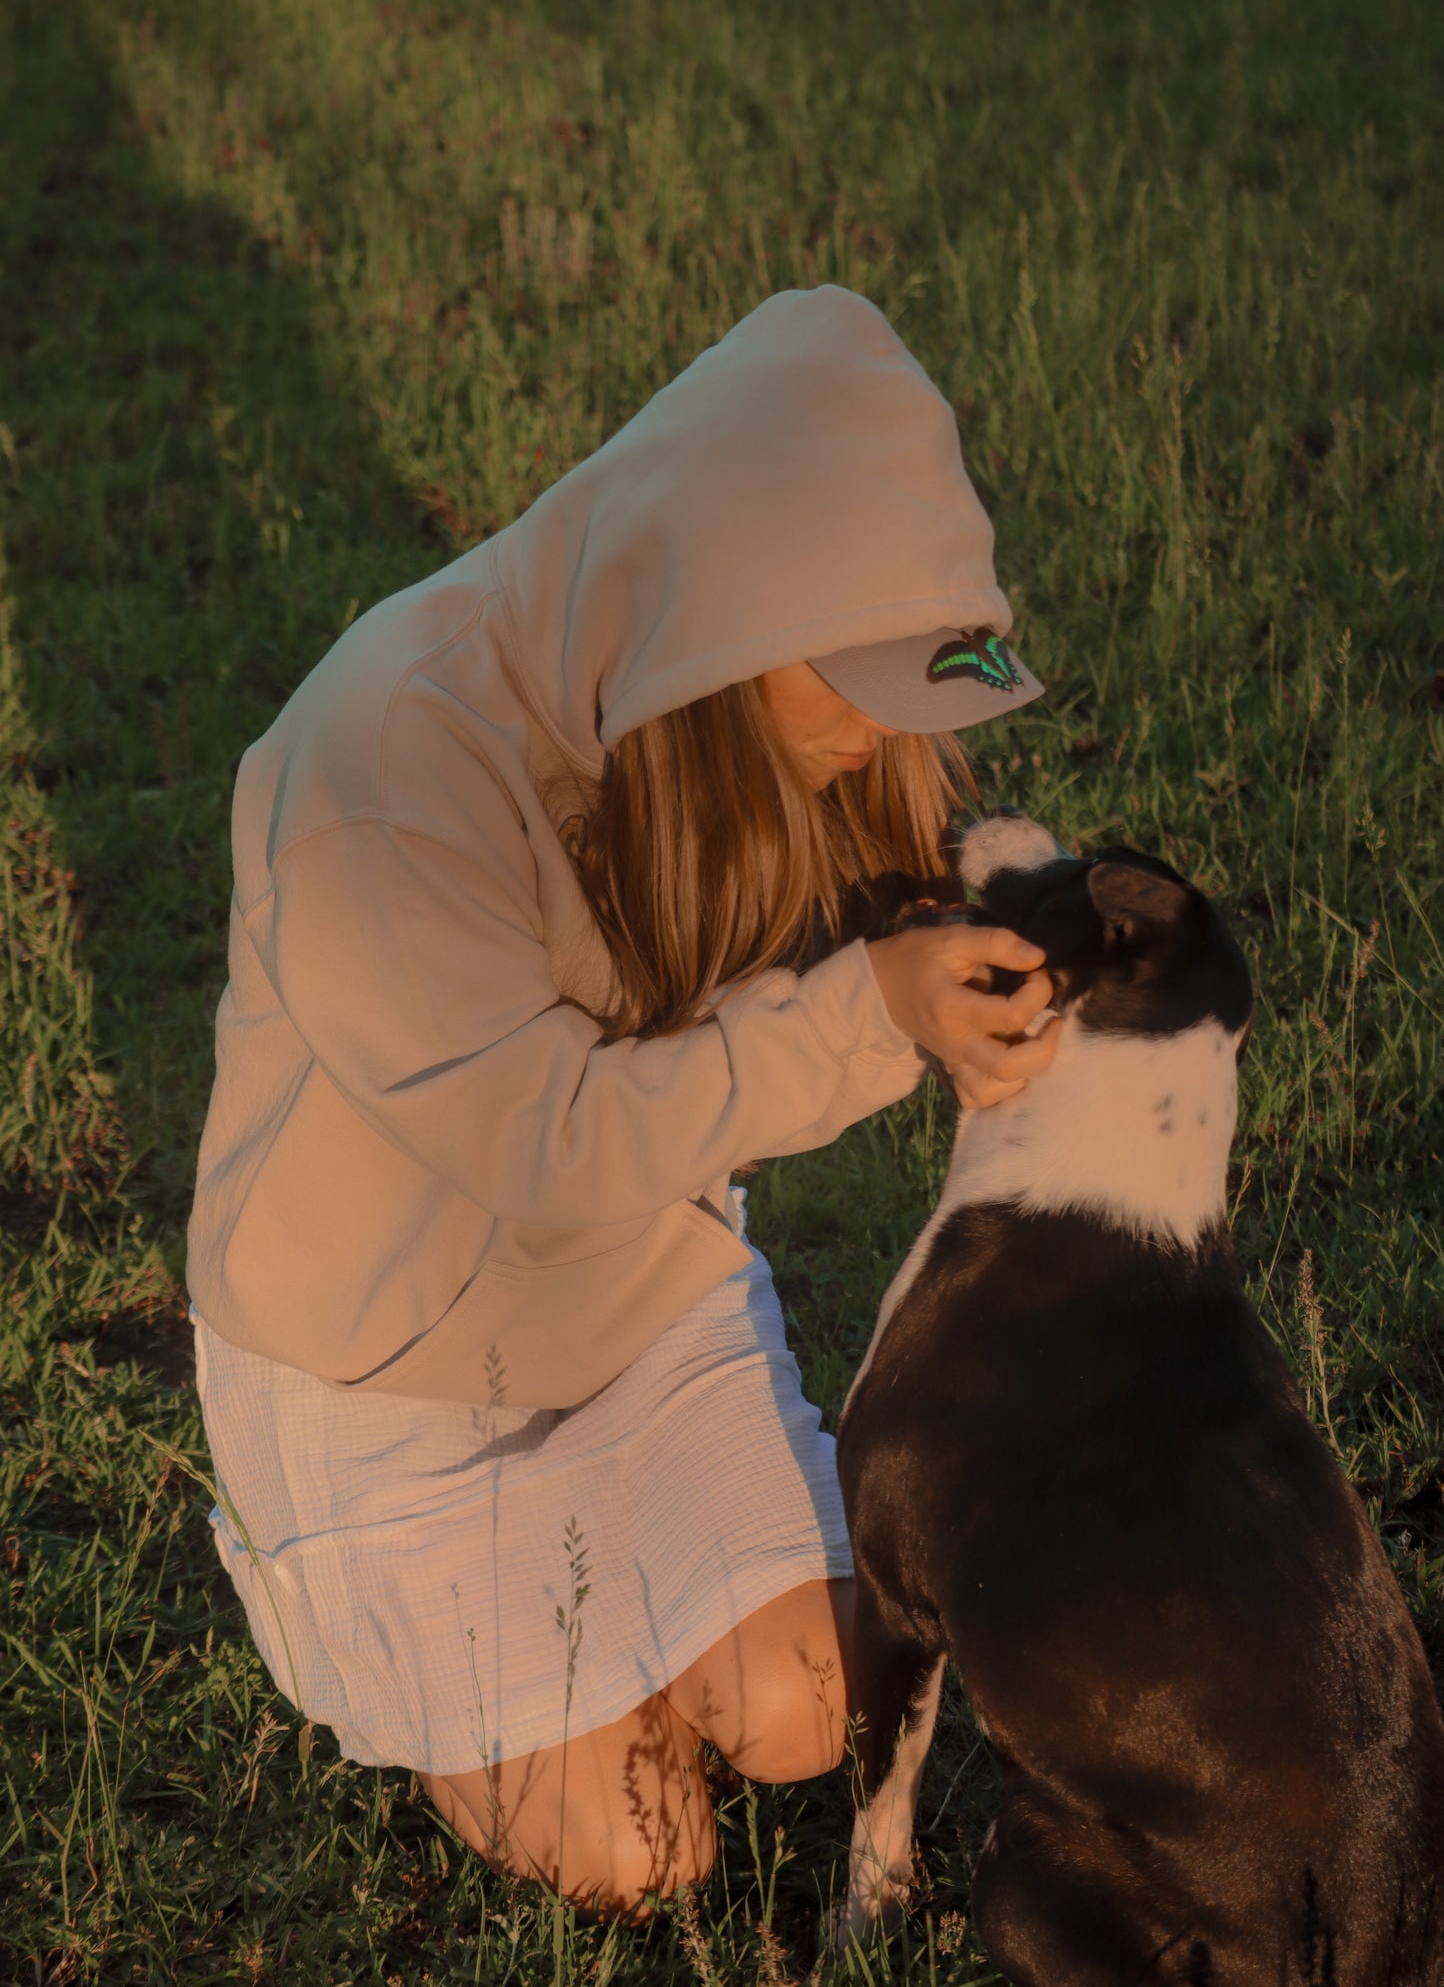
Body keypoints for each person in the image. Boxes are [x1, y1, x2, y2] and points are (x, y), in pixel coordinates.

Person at [187, 285, 1059, 1918]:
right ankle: (507, 1690)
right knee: (642, 1851)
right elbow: (547, 1148)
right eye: (851, 676)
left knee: (813, 1713)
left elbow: (868, 921)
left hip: (634, 1300)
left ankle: (610, 1669)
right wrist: (871, 1021)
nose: (881, 730)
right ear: (711, 617)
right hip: (389, 1363)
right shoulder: (382, 764)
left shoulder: (742, 727)